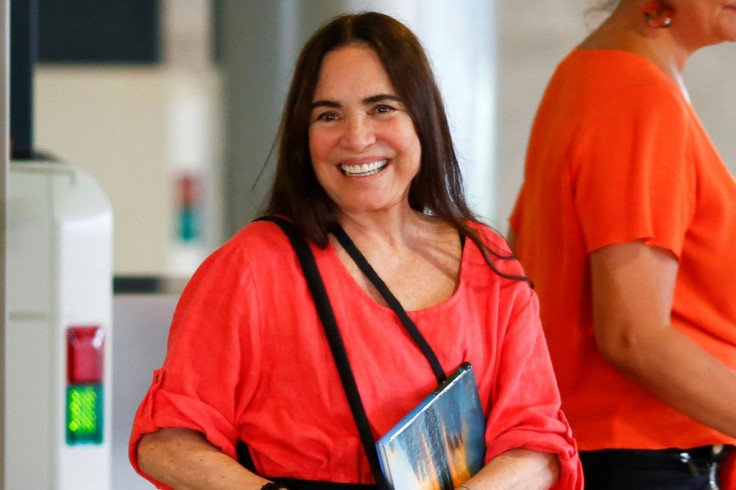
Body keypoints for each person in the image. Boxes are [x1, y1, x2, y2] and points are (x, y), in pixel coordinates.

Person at [129, 11, 582, 490]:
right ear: (304, 138)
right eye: (328, 115)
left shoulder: (487, 258)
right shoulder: (254, 267)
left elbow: (538, 444)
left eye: (382, 108)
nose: (357, 137)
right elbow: (166, 440)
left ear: (421, 120)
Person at [508, 0, 736, 487]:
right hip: (647, 457)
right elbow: (635, 337)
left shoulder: (586, 72)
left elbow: (520, 248)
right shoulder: (639, 98)